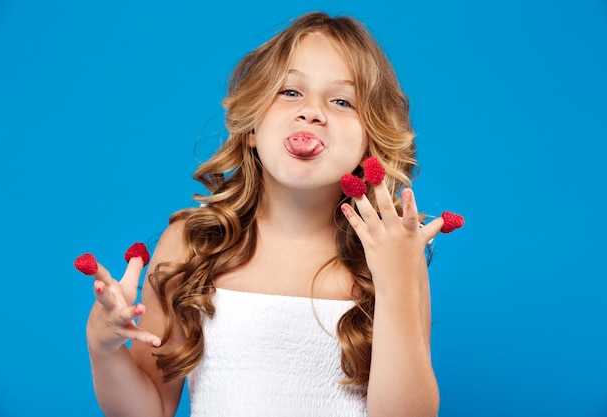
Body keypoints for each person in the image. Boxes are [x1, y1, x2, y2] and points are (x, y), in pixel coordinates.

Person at [83, 11, 451, 417]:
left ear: (369, 143)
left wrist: (397, 282)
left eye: (342, 100)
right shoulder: (193, 244)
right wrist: (102, 346)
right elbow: (147, 409)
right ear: (253, 127)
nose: (311, 112)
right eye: (290, 92)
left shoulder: (394, 252)